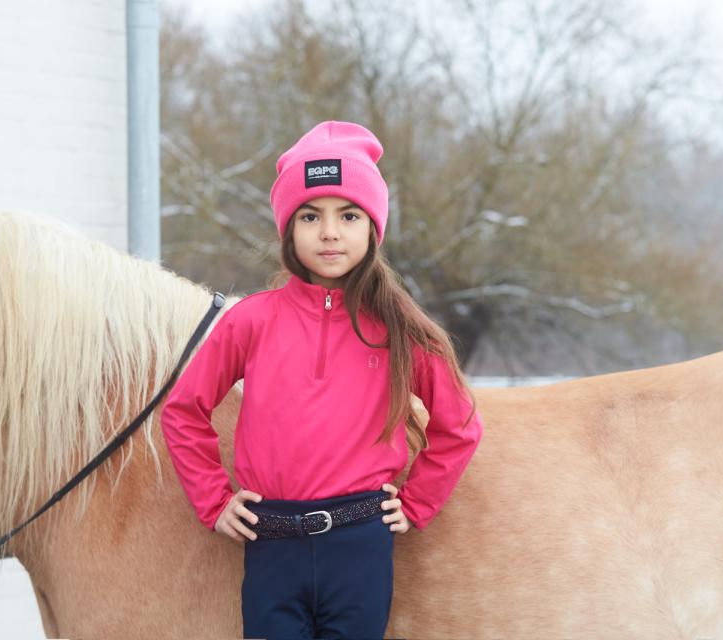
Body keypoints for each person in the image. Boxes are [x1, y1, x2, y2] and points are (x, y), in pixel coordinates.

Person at [160, 120, 484, 639]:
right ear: (289, 229)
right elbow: (183, 411)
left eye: (348, 215)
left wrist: (418, 502)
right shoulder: (251, 320)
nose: (329, 232)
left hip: (360, 545)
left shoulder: (399, 327)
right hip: (271, 545)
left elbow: (460, 424)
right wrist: (215, 502)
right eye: (310, 215)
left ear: (372, 228)